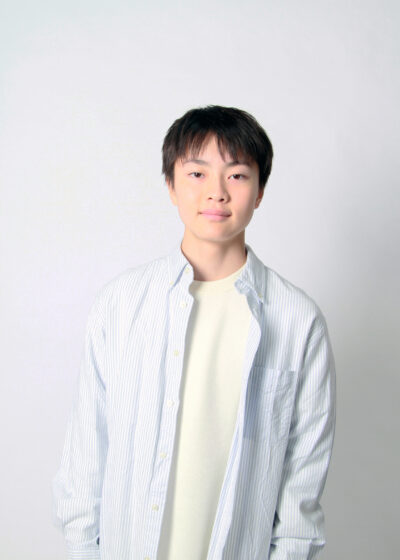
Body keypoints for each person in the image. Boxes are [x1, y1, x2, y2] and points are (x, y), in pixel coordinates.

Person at [53, 105, 336, 560]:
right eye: (197, 174)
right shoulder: (120, 306)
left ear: (260, 191)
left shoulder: (297, 322)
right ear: (170, 185)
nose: (217, 193)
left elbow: (301, 485)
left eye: (237, 175)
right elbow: (86, 456)